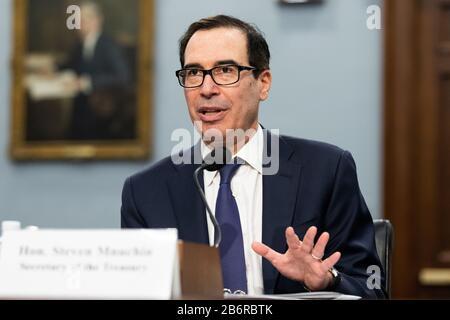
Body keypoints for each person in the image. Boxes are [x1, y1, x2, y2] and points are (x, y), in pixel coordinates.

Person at [121, 15, 386, 299]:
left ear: (263, 83)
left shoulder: (326, 171)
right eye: (193, 73)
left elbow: (371, 291)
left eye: (225, 70)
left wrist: (327, 281)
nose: (206, 89)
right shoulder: (146, 192)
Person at [60, 1, 130, 140]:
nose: (79, 25)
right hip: (81, 109)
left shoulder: (108, 46)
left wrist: (87, 83)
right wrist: (53, 68)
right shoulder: (81, 45)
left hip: (101, 110)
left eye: (83, 20)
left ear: (96, 20)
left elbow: (122, 77)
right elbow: (71, 64)